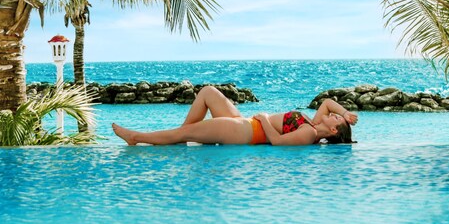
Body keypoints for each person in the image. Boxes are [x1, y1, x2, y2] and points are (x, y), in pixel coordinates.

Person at [112, 85, 357, 146]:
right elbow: (326, 101)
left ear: (333, 130)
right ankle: (179, 137)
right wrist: (345, 113)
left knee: (184, 132)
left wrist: (262, 119)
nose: (333, 114)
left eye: (336, 119)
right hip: (245, 123)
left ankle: (136, 137)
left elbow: (278, 142)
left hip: (245, 131)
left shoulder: (310, 132)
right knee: (208, 92)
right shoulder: (315, 122)